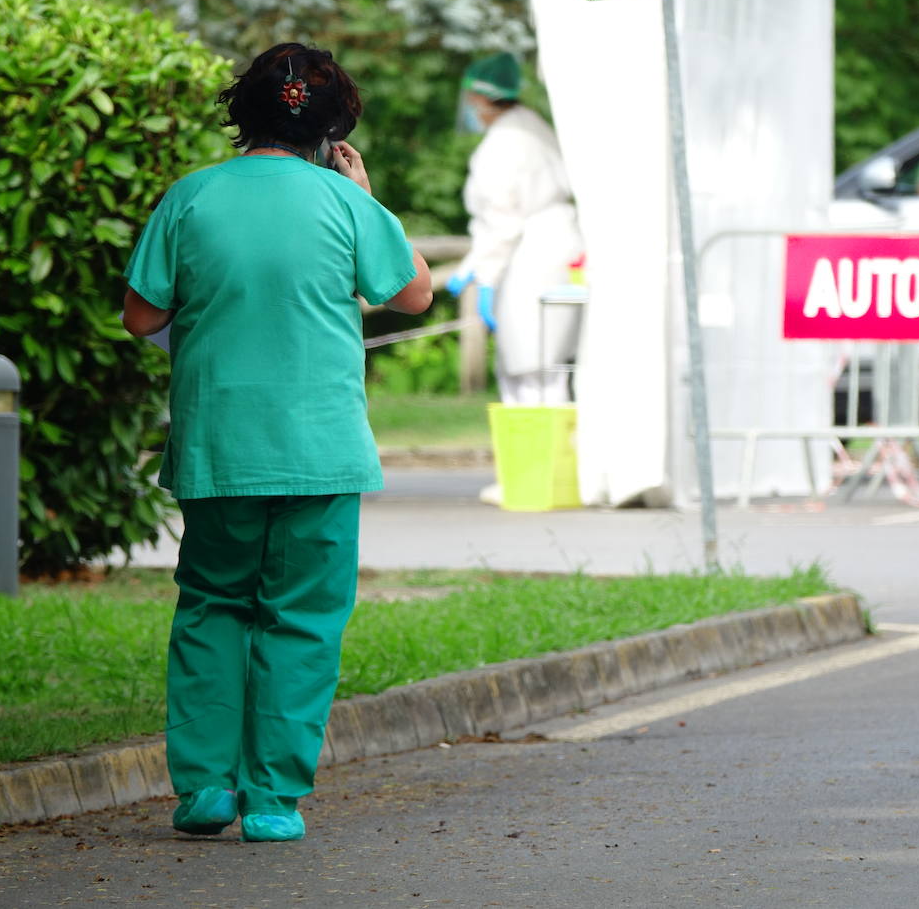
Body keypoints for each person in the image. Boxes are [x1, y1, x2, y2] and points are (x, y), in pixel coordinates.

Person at [120, 42, 432, 842]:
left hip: (218, 446)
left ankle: (203, 791)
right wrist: (365, 195)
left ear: (243, 117)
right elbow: (414, 294)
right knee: (301, 619)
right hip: (321, 452)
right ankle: (271, 801)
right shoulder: (346, 202)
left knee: (213, 607)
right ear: (333, 136)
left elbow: (141, 317)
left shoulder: (188, 198)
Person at [447, 52, 584, 407]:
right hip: (556, 245)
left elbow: (502, 222)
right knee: (548, 364)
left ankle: (539, 458)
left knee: (530, 369)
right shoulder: (531, 124)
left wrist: (486, 279)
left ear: (480, 97)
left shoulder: (502, 143)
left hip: (532, 257)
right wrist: (469, 268)